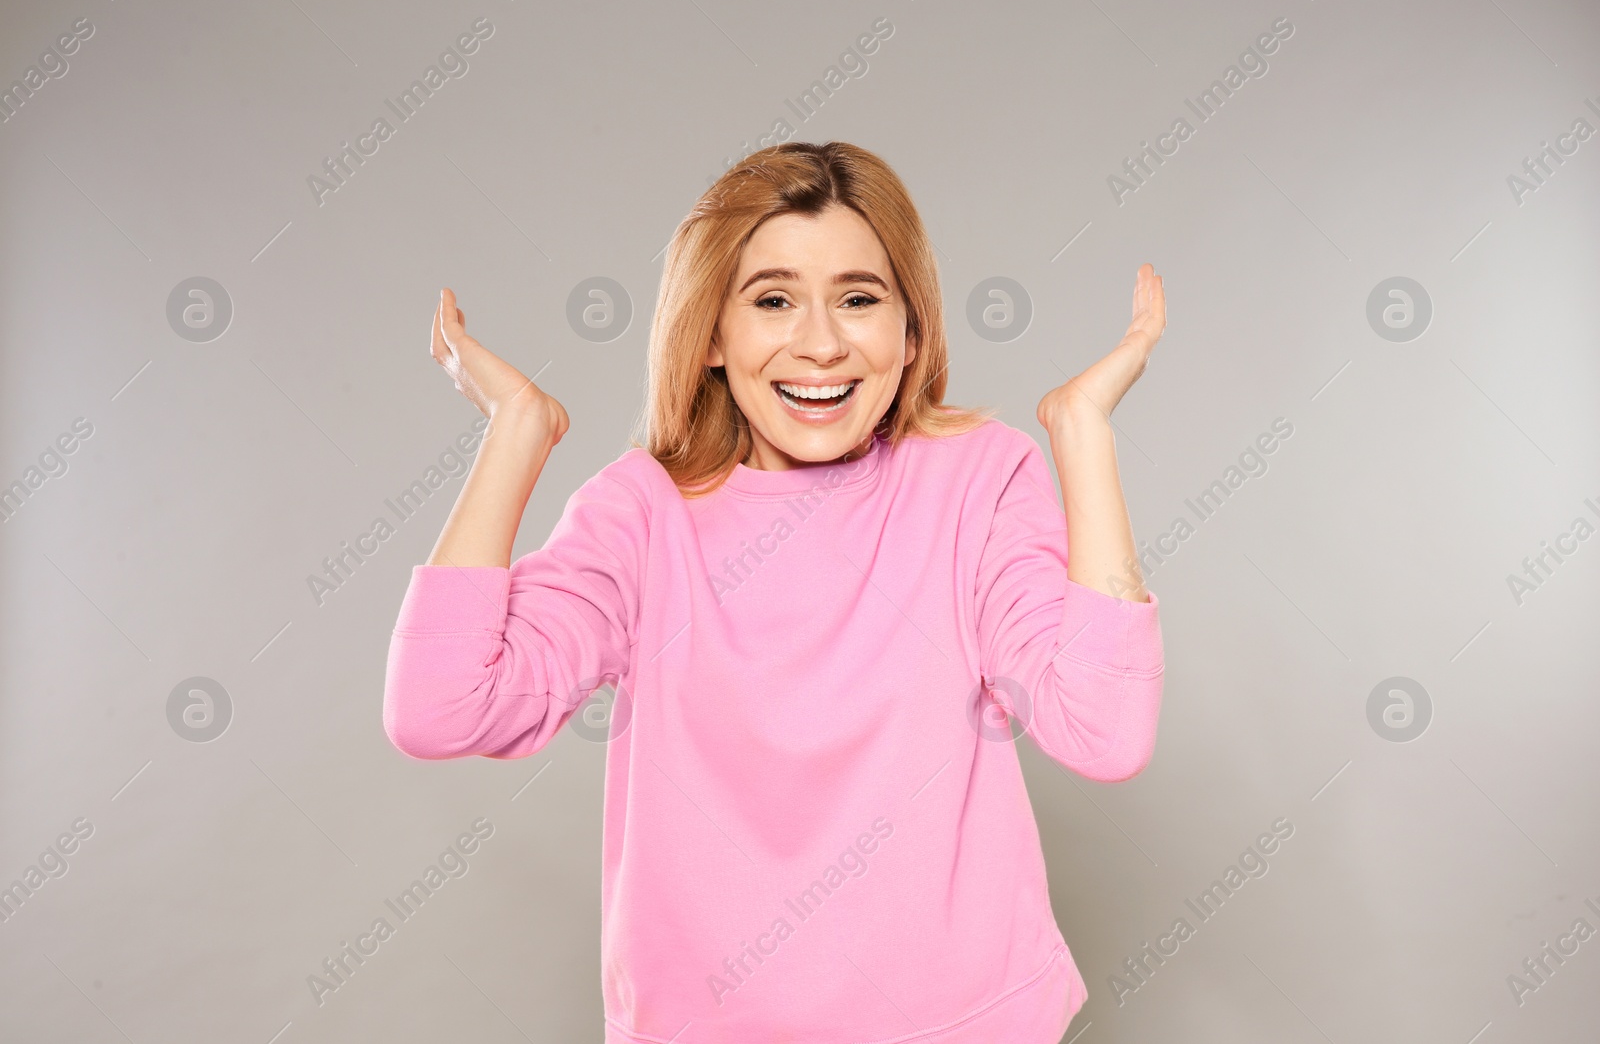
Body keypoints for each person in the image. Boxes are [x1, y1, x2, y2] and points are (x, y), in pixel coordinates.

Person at [383, 140, 1166, 1042]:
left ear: (912, 333)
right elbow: (440, 708)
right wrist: (517, 433)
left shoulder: (976, 482)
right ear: (713, 334)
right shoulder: (642, 515)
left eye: (860, 299)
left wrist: (1083, 435)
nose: (822, 342)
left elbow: (1104, 729)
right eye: (773, 300)